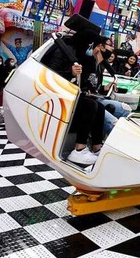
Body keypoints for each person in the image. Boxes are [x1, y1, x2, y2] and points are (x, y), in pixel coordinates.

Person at [41, 29, 106, 165]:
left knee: (99, 106)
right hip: (52, 94)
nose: (91, 48)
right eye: (91, 45)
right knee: (90, 105)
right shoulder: (63, 51)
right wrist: (69, 72)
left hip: (66, 93)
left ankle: (97, 146)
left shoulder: (76, 52)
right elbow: (48, 74)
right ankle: (79, 148)